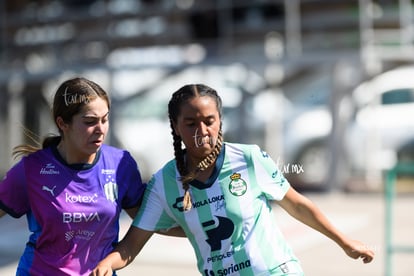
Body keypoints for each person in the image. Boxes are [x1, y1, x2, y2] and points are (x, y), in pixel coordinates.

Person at [91, 84, 374, 276]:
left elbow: (297, 205)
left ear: (220, 120)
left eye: (209, 120)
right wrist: (105, 265)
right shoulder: (163, 183)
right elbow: (132, 244)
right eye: (191, 123)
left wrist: (344, 241)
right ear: (176, 127)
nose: (202, 130)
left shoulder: (249, 158)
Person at [0, 77, 148, 276]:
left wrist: (198, 224)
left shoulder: (121, 164)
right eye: (90, 121)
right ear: (62, 123)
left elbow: (150, 220)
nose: (100, 129)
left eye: (105, 119)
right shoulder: (32, 169)